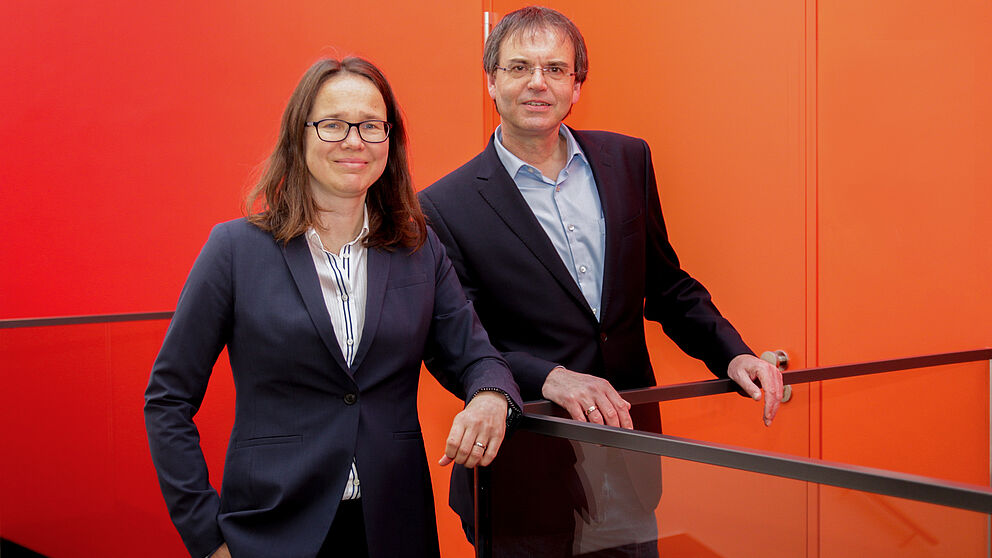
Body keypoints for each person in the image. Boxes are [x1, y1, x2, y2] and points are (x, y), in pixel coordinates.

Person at [418, 5, 784, 555]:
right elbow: (456, 343)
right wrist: (551, 377)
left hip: (630, 461)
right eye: (519, 68)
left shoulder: (627, 159)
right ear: (491, 81)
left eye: (555, 69)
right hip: (526, 471)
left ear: (577, 85)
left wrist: (732, 355)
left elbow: (666, 286)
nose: (537, 83)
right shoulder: (443, 206)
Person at [144, 57, 521, 558]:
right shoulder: (235, 250)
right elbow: (168, 399)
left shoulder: (418, 248)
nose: (354, 141)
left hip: (394, 528)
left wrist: (492, 396)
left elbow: (478, 357)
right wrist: (206, 537)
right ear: (298, 136)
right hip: (270, 531)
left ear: (391, 139)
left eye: (371, 125)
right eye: (333, 124)